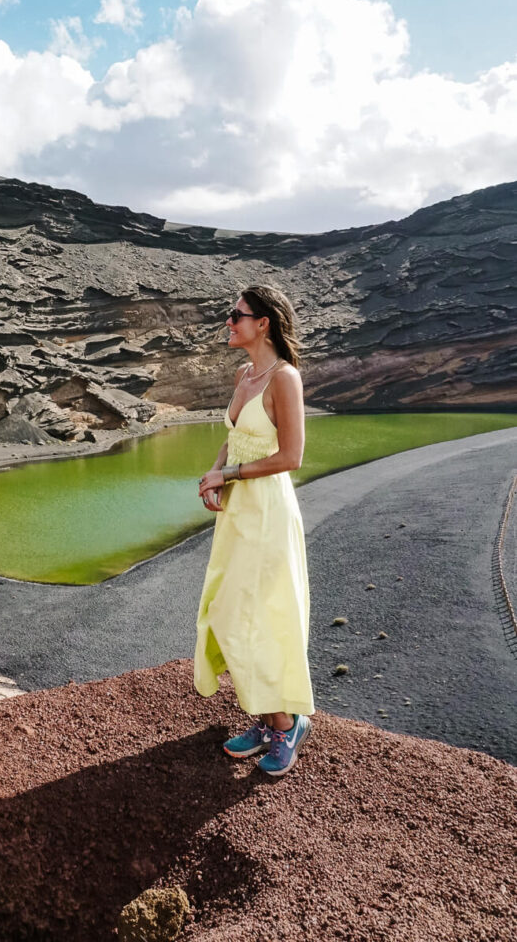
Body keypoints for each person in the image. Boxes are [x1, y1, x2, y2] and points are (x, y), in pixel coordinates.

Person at [195, 284, 314, 777]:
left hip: (266, 510)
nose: (229, 323)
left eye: (236, 315)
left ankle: (286, 725)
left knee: (260, 615)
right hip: (238, 512)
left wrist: (232, 476)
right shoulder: (245, 373)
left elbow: (291, 457)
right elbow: (235, 436)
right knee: (228, 608)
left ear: (262, 323)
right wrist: (213, 471)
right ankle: (268, 719)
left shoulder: (284, 378)